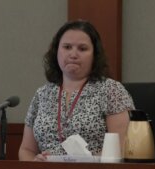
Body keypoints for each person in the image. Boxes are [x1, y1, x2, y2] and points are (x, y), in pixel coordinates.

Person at [18, 20, 135, 161]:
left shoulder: (111, 90)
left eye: (82, 48)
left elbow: (121, 149)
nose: (73, 54)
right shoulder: (42, 94)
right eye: (67, 47)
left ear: (94, 55)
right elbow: (26, 150)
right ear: (56, 52)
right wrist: (34, 162)